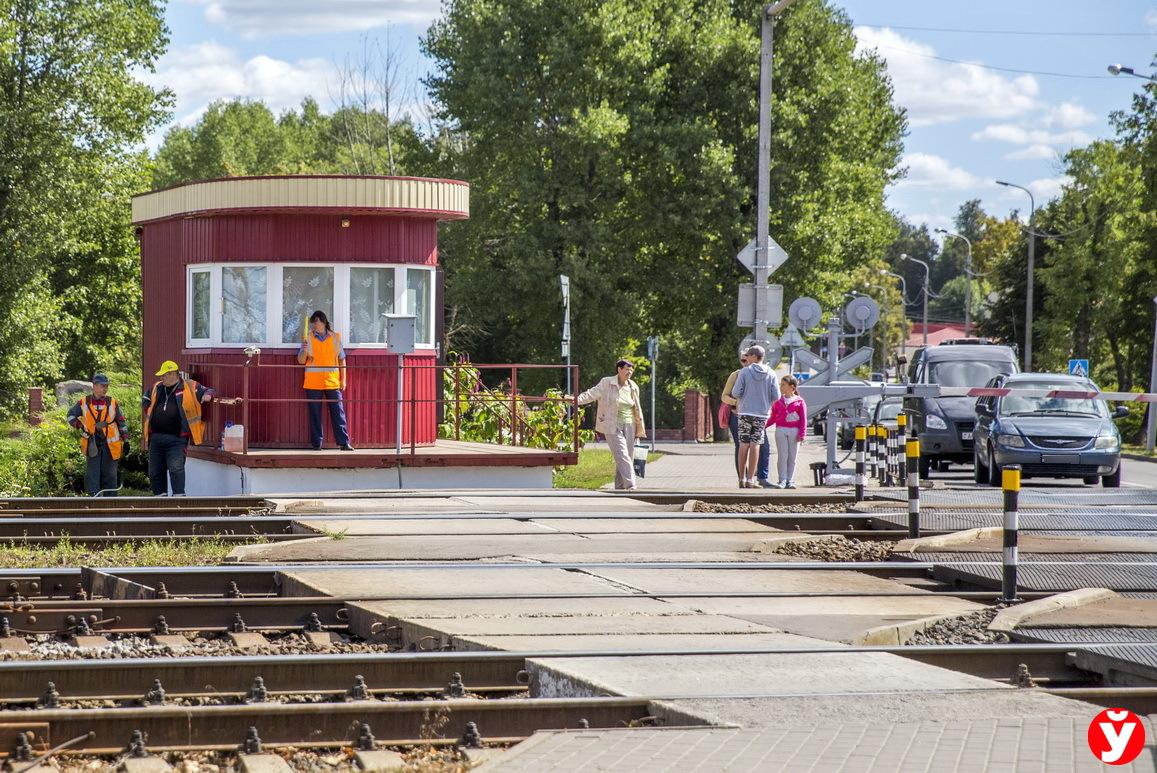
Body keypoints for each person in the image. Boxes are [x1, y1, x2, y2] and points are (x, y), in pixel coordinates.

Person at [142, 360, 215, 496]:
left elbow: (210, 390)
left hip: (177, 438)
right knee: (155, 471)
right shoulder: (157, 387)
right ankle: (160, 499)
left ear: (173, 374)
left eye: (164, 375)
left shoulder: (189, 386)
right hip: (156, 437)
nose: (161, 378)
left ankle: (178, 499)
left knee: (176, 469)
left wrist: (208, 395)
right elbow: (145, 399)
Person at [577, 359, 646, 490]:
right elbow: (591, 394)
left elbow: (636, 408)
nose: (630, 372)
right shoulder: (607, 382)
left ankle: (620, 488)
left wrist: (638, 427)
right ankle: (631, 485)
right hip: (612, 425)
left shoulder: (633, 386)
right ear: (619, 369)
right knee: (622, 454)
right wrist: (575, 400)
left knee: (628, 457)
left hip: (630, 424)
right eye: (627, 369)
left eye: (631, 369)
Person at [297, 310, 354, 451]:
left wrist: (344, 379)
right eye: (314, 322)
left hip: (332, 381)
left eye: (318, 321)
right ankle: (317, 444)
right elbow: (300, 361)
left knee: (338, 413)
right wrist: (303, 350)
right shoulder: (307, 338)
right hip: (313, 383)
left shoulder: (335, 338)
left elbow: (342, 359)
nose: (316, 324)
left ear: (324, 322)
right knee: (315, 414)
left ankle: (344, 443)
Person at [67, 374, 128, 496]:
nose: (105, 389)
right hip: (92, 443)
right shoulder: (83, 402)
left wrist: (126, 440)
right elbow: (70, 416)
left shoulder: (112, 403)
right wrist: (80, 426)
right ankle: (93, 501)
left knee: (110, 475)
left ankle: (111, 504)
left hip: (110, 444)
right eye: (102, 386)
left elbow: (121, 422)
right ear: (94, 386)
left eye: (106, 386)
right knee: (92, 474)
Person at [731, 345, 780, 488]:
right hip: (761, 414)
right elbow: (776, 396)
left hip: (745, 412)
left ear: (753, 356)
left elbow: (735, 393)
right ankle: (751, 479)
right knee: (755, 445)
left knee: (743, 444)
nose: (746, 358)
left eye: (747, 355)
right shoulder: (771, 373)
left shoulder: (745, 372)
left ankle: (742, 478)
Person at [721, 352, 772, 487]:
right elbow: (724, 396)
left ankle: (759, 477)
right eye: (743, 360)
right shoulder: (737, 374)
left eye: (747, 359)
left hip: (757, 414)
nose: (745, 362)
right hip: (737, 415)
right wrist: (737, 402)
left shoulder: (762, 373)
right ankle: (743, 478)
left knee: (763, 446)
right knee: (742, 445)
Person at [768, 374, 807, 489]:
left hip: (795, 431)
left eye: (783, 385)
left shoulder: (800, 401)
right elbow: (773, 417)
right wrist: (763, 426)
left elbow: (803, 419)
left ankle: (790, 480)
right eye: (781, 384)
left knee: (792, 457)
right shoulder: (778, 401)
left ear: (792, 387)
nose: (780, 387)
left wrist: (802, 433)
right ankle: (782, 480)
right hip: (780, 430)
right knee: (782, 456)